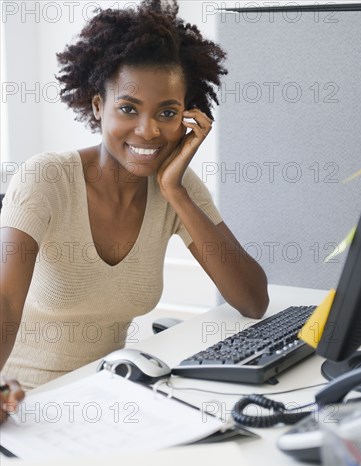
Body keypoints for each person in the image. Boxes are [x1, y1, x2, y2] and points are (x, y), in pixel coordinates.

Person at [0, 0, 269, 420]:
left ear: (188, 117)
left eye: (167, 113)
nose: (149, 130)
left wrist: (175, 192)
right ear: (96, 107)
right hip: (28, 405)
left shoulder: (176, 187)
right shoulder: (46, 178)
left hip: (110, 399)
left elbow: (252, 300)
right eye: (128, 108)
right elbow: (5, 300)